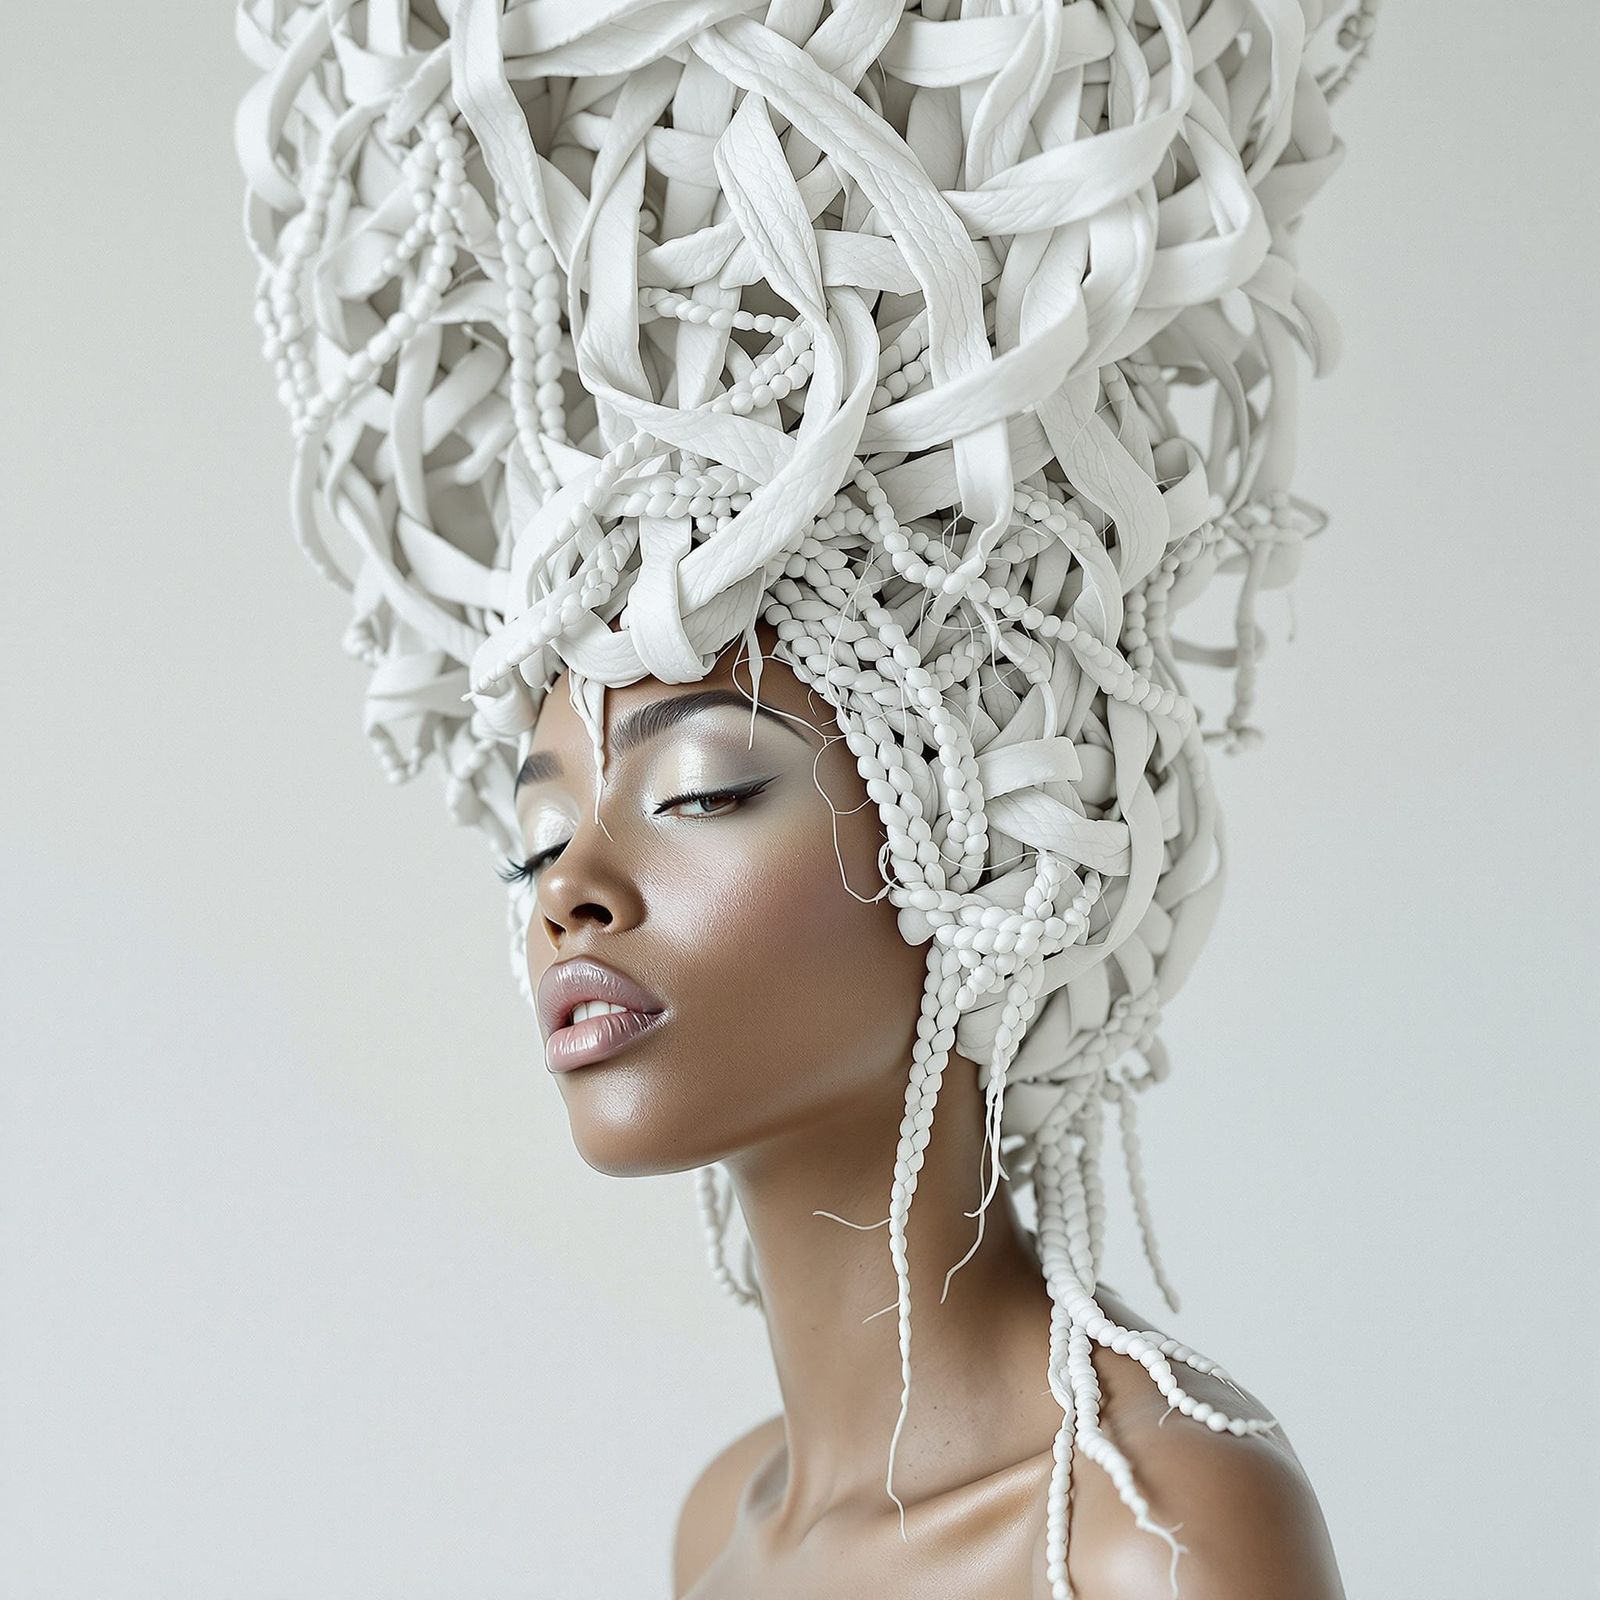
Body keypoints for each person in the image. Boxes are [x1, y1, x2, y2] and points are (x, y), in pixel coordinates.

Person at [237, 1, 1379, 1592]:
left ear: (962, 845)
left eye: (703, 793)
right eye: (541, 826)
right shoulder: (726, 1531)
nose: (573, 887)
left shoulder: (1148, 1532)